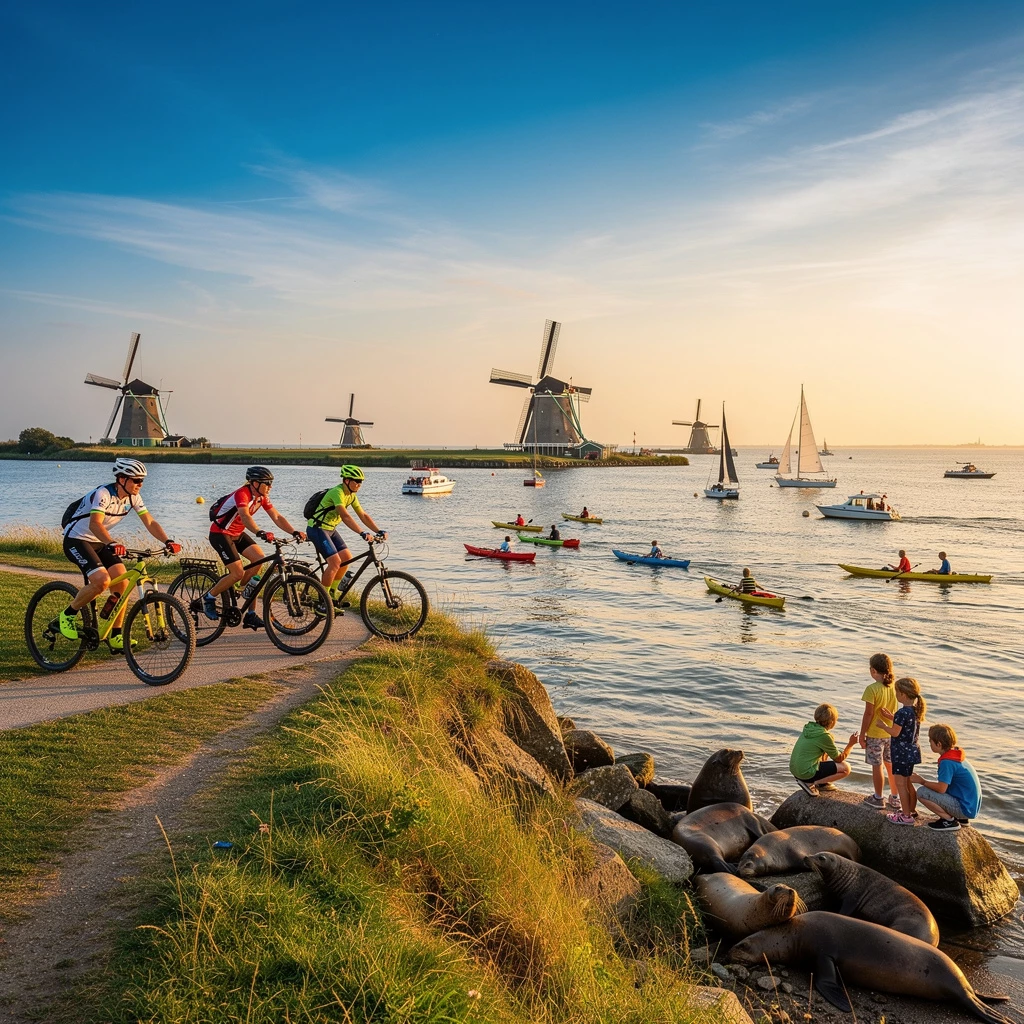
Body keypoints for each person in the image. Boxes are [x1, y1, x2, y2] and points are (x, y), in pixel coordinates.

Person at [59, 458, 180, 651]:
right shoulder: (103, 494)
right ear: (122, 479)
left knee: (123, 584)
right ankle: (67, 615)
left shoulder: (134, 498)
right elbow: (95, 524)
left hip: (99, 541)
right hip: (76, 539)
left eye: (142, 481)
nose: (140, 484)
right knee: (101, 581)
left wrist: (167, 541)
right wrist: (112, 543)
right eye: (136, 480)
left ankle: (115, 635)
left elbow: (149, 522)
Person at [203, 467, 305, 629]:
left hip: (237, 534)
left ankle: (249, 613)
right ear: (255, 483)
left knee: (259, 560)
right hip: (220, 534)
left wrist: (294, 531)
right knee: (237, 572)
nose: (270, 486)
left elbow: (277, 517)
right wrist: (260, 532)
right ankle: (209, 598)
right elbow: (245, 516)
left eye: (271, 483)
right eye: (267, 483)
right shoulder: (242, 494)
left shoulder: (262, 497)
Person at [306, 465, 386, 611]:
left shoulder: (351, 496)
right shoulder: (337, 492)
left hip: (330, 529)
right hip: (317, 528)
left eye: (361, 481)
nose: (359, 484)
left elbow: (363, 515)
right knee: (335, 562)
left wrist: (378, 530)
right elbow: (345, 516)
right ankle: (322, 604)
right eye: (356, 481)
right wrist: (362, 533)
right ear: (347, 480)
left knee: (346, 558)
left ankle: (331, 595)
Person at [910, 724, 981, 832]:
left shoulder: (947, 762)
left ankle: (949, 820)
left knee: (922, 793)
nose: (929, 744)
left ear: (939, 744)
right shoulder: (956, 755)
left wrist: (922, 781)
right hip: (970, 806)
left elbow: (941, 789)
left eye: (930, 741)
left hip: (964, 808)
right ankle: (962, 820)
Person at [875, 677, 927, 825]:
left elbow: (895, 732)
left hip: (901, 753)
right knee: (907, 782)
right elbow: (906, 726)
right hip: (912, 752)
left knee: (901, 785)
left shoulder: (902, 712)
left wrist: (883, 725)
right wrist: (892, 717)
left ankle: (905, 816)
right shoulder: (915, 711)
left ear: (903, 694)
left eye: (897, 692)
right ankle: (911, 810)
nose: (896, 695)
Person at [790, 703, 858, 797]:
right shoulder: (824, 736)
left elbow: (824, 754)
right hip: (806, 773)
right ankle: (812, 783)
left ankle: (822, 783)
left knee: (824, 751)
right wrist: (851, 744)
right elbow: (839, 759)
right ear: (832, 722)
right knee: (846, 768)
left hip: (796, 770)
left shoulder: (809, 728)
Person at [860, 653, 900, 810]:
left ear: (873, 670)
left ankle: (878, 797)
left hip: (876, 734)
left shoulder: (872, 689)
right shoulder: (894, 687)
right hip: (891, 733)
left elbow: (868, 714)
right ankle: (895, 797)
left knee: (877, 766)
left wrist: (862, 735)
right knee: (891, 765)